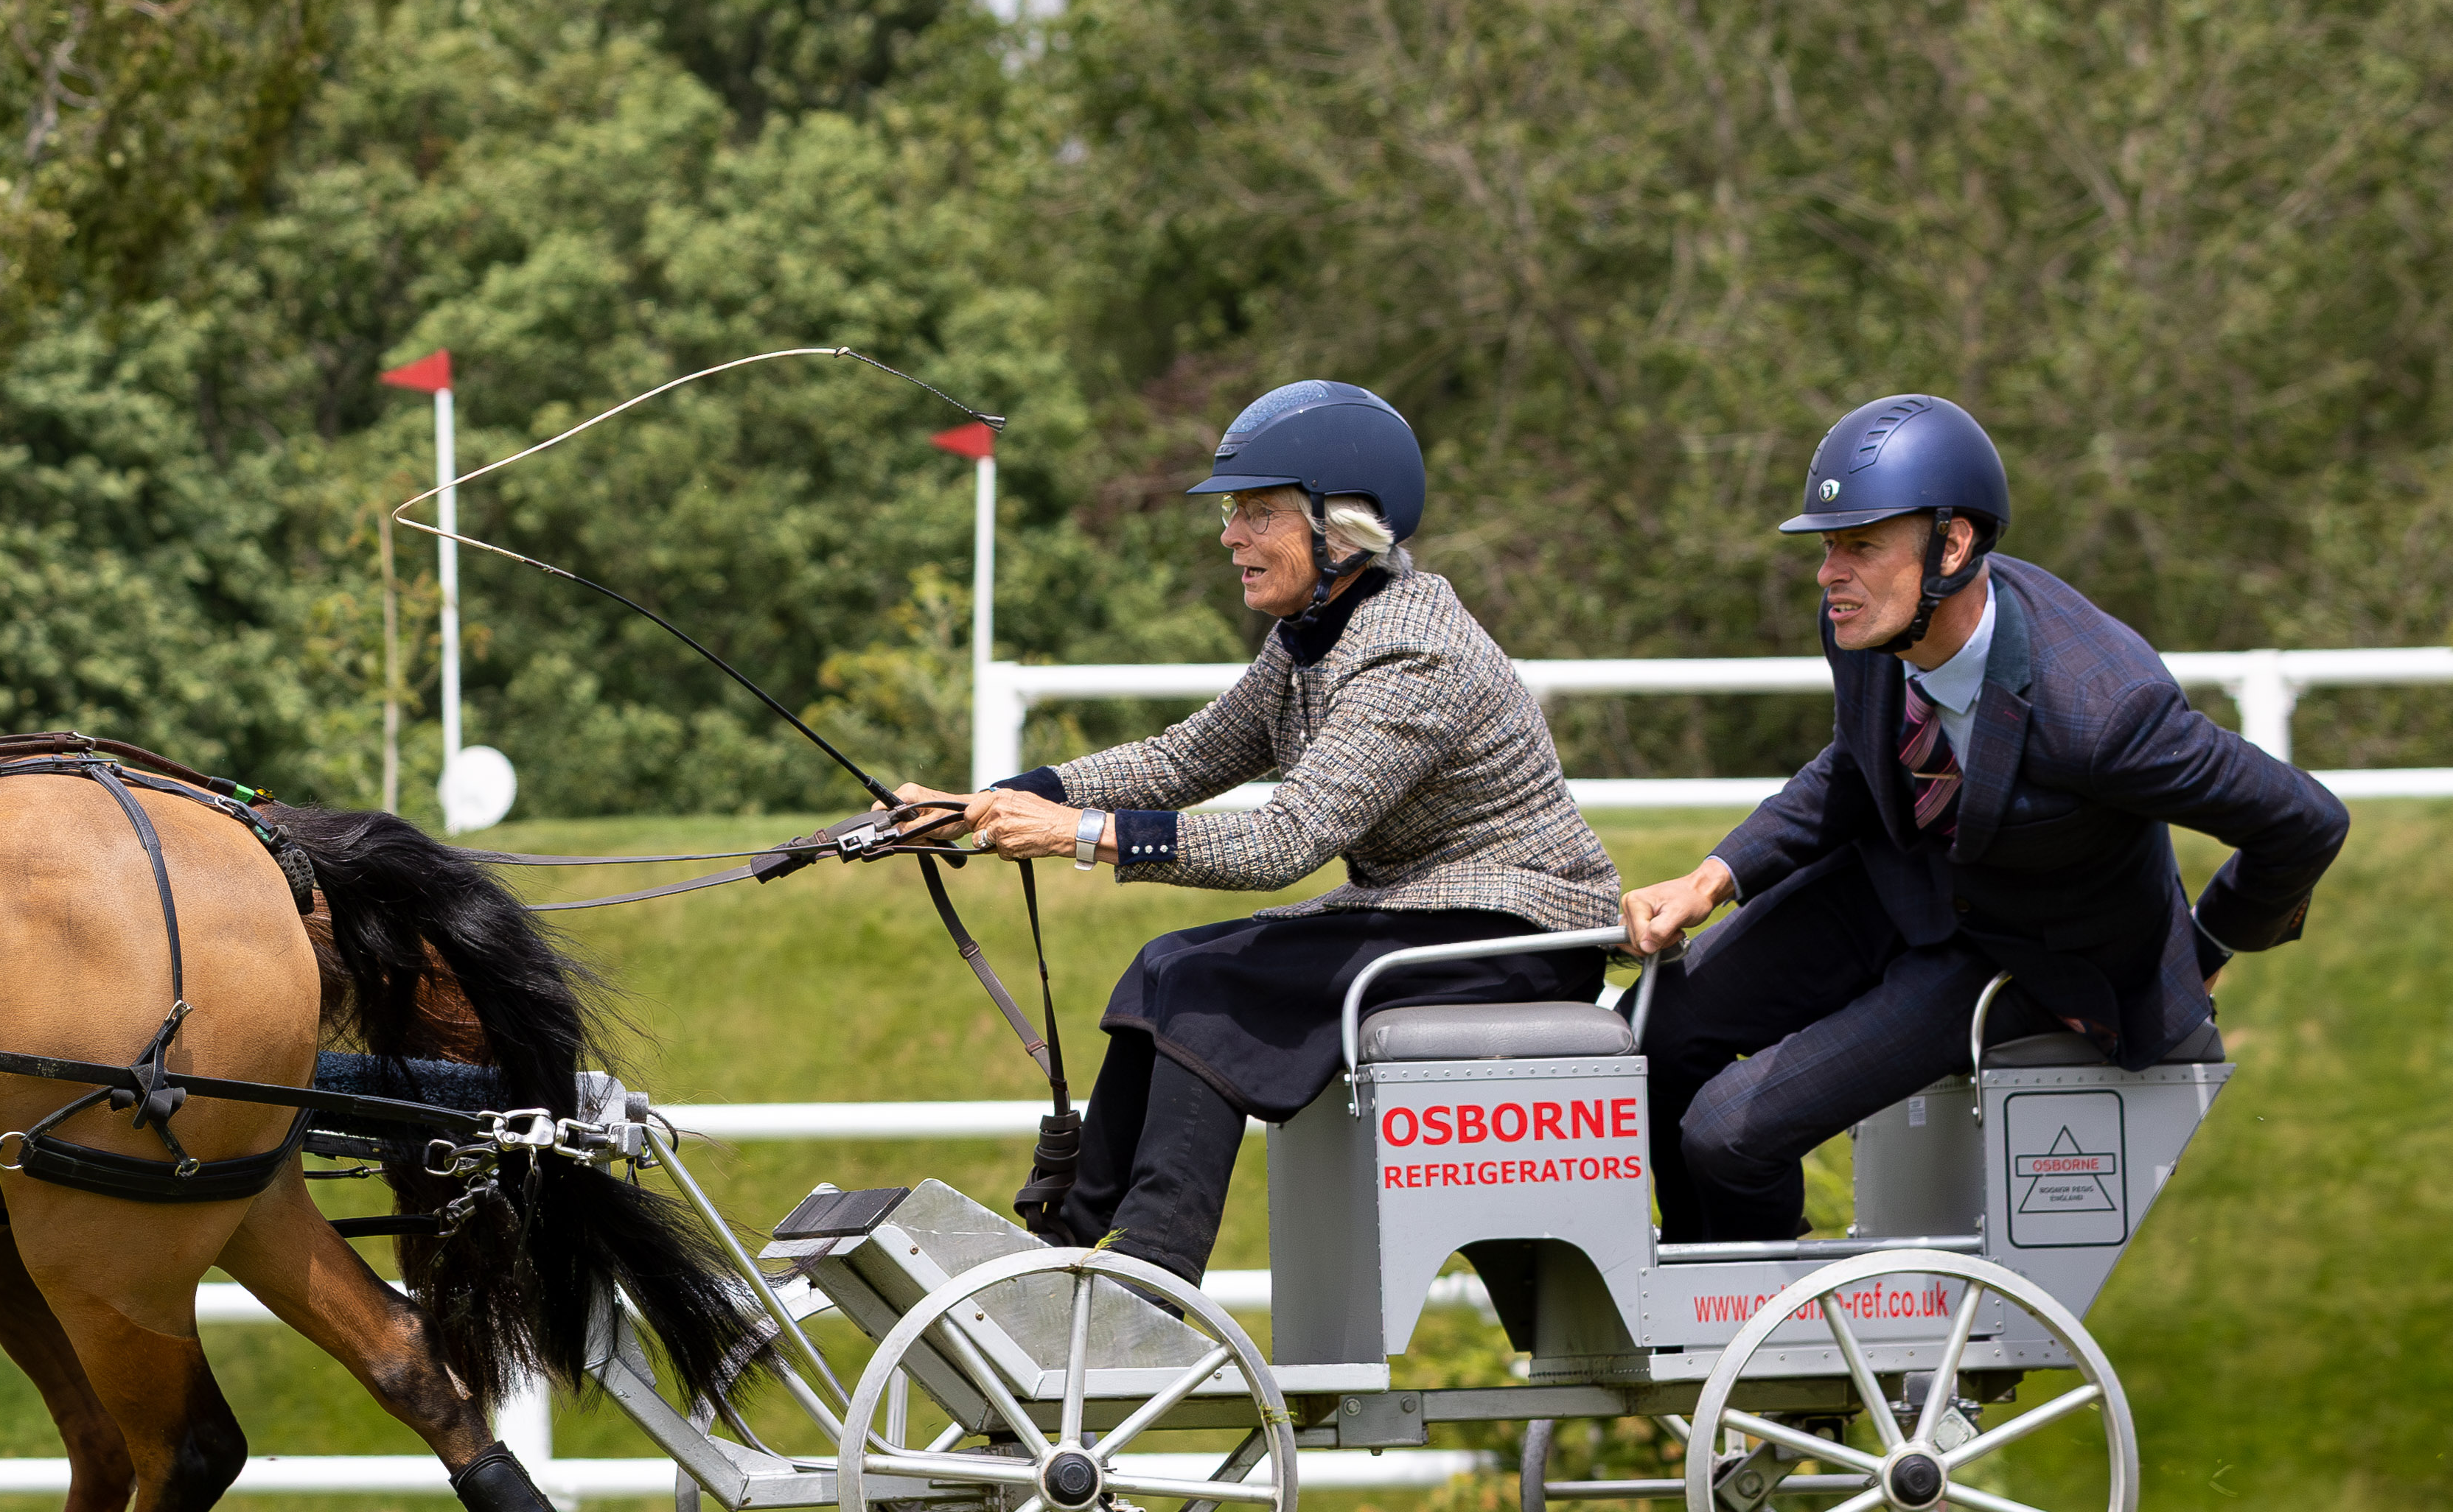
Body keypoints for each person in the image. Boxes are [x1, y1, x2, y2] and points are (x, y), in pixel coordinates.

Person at [898, 379, 1623, 1286]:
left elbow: (1282, 844)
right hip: (1423, 912)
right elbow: (1186, 757)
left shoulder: (1414, 651)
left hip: (1517, 933)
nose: (1228, 535)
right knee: (1161, 964)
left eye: (1256, 512)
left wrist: (1073, 831)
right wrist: (988, 799)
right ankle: (1065, 1245)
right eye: (1233, 513)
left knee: (1207, 982)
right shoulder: (1310, 632)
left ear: (1343, 524)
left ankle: (1154, 1276)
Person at [1618, 394, 2348, 1242]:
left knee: (1727, 1131)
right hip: (1895, 880)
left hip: (2015, 950)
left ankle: (1756, 1346)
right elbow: (1858, 765)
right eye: (1825, 548)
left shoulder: (2104, 712)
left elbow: (2303, 819)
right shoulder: (1857, 623)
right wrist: (1715, 875)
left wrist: (2210, 941)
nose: (1828, 575)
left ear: (1951, 545)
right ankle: (1687, 1300)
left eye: (1858, 545)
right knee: (1646, 1038)